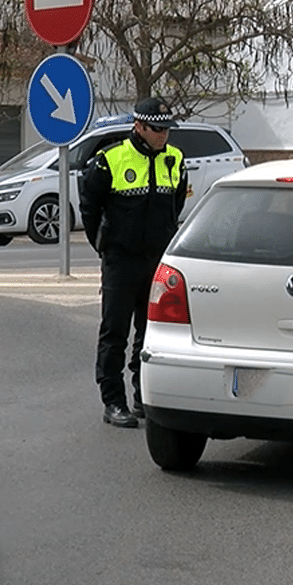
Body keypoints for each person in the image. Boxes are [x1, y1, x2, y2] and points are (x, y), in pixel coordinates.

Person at [80, 97, 188, 429]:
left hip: (157, 260)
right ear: (138, 126)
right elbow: (90, 206)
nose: (163, 135)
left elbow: (177, 201)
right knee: (115, 331)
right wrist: (105, 246)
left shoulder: (175, 159)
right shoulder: (110, 159)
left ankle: (143, 395)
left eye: (167, 129)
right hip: (121, 259)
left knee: (150, 333)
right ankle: (113, 400)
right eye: (157, 129)